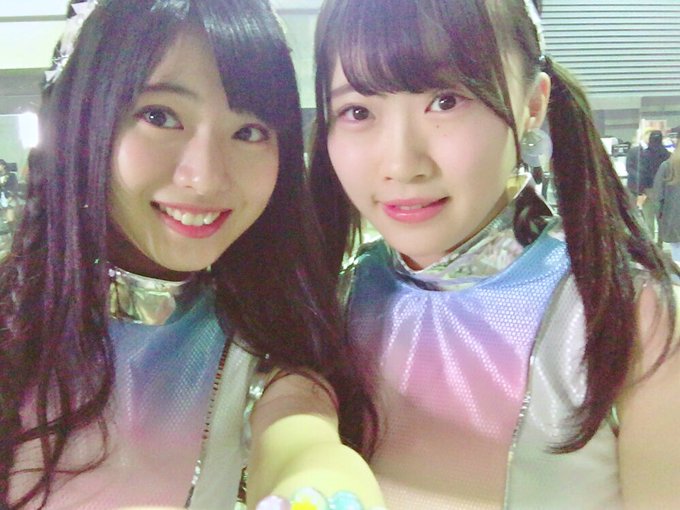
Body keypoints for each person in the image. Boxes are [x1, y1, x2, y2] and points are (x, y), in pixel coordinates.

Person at [0, 1, 384, 509]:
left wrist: (317, 487)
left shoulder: (263, 346)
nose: (205, 177)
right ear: (81, 121)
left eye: (249, 132)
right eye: (160, 116)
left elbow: (302, 439)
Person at [310, 0, 680, 508]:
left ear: (533, 105)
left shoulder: (632, 314)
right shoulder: (336, 299)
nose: (401, 163)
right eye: (358, 111)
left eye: (445, 101)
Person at [636, 130, 671, 239]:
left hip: (648, 190)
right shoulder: (668, 155)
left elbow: (642, 173)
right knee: (661, 218)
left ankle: (651, 242)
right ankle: (660, 242)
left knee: (648, 218)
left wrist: (640, 191)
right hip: (664, 190)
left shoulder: (644, 154)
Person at [651, 148, 680, 262]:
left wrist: (660, 218)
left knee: (677, 257)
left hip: (673, 220)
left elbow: (658, 196)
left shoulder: (667, 166)